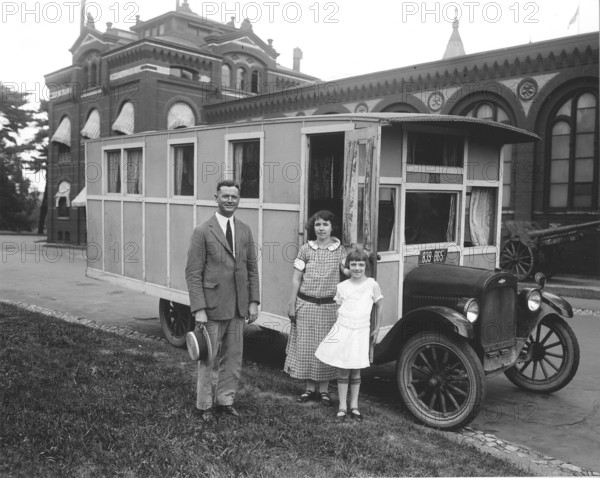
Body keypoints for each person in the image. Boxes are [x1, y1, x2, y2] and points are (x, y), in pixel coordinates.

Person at [185, 180, 260, 423]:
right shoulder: (202, 231)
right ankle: (204, 405)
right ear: (215, 198)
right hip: (212, 308)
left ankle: (225, 401)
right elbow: (193, 273)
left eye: (234, 197)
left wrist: (253, 301)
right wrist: (199, 309)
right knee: (209, 357)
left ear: (239, 200)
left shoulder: (245, 230)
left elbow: (251, 268)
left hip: (238, 307)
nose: (230, 200)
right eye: (225, 196)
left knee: (234, 358)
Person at [284, 210, 347, 406]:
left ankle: (325, 391)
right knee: (307, 347)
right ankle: (309, 389)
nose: (321, 228)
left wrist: (360, 264)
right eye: (318, 224)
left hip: (329, 307)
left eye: (325, 225)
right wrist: (291, 303)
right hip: (307, 304)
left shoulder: (340, 250)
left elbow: (347, 271)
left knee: (325, 348)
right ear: (314, 227)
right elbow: (296, 278)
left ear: (332, 227)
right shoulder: (306, 249)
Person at [315, 248, 383, 421]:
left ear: (365, 265)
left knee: (356, 371)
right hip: (344, 329)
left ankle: (354, 405)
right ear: (348, 266)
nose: (357, 268)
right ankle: (342, 406)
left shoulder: (372, 285)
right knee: (343, 370)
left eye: (361, 264)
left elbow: (379, 306)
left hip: (360, 331)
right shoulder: (342, 287)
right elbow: (339, 308)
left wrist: (377, 328)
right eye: (353, 264)